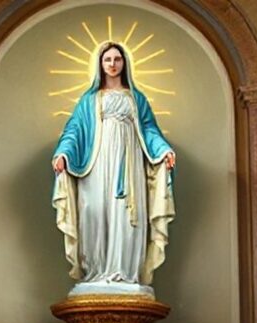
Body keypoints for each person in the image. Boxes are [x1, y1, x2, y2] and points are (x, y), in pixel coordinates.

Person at [52, 41, 176, 293]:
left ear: (124, 63)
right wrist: (64, 153)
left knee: (126, 216)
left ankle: (125, 274)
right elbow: (74, 130)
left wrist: (163, 149)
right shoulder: (89, 101)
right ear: (100, 64)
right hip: (95, 167)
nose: (112, 64)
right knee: (94, 213)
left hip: (129, 168)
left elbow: (150, 129)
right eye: (107, 59)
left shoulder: (136, 99)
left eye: (117, 59)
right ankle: (96, 272)